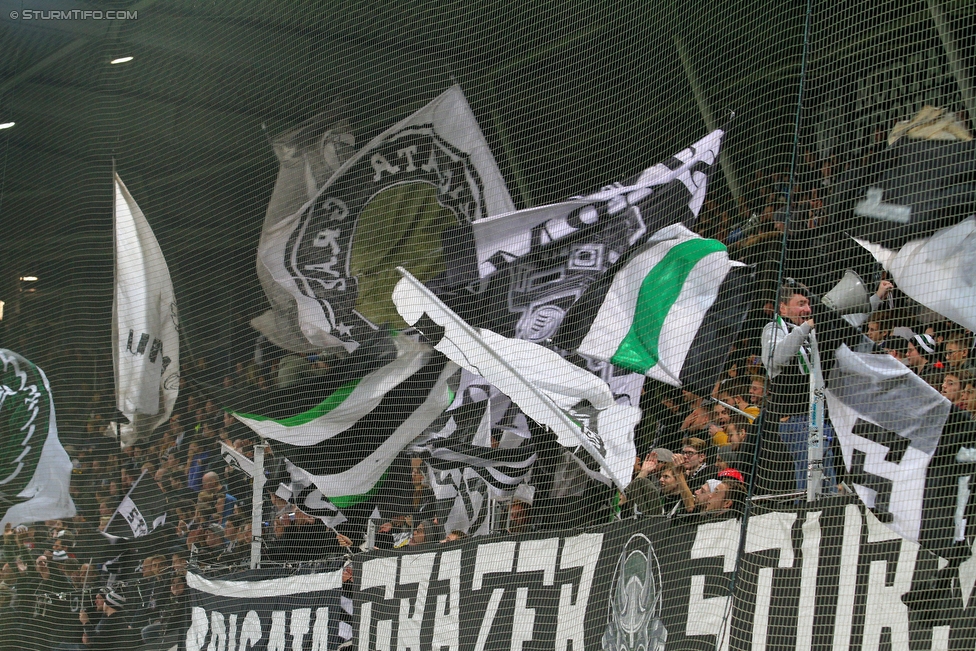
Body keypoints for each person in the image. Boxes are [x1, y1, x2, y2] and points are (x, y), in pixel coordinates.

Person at [761, 281, 838, 493]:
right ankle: (808, 516)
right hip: (796, 421)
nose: (807, 309)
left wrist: (876, 297)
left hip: (818, 415)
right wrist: (806, 326)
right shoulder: (773, 329)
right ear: (783, 308)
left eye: (808, 304)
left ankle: (825, 518)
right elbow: (778, 357)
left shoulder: (809, 332)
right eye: (801, 303)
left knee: (826, 476)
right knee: (810, 480)